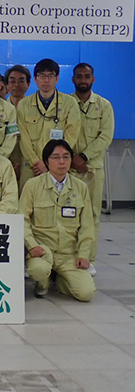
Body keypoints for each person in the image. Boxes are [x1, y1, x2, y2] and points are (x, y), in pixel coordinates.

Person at [22, 139, 96, 302]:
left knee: (86, 293)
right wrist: (32, 245)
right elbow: (23, 220)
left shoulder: (80, 187)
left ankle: (60, 279)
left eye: (66, 157)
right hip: (43, 249)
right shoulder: (33, 185)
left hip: (69, 253)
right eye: (56, 157)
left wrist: (83, 254)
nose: (61, 162)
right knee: (38, 270)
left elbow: (87, 226)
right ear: (47, 161)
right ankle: (42, 283)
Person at [71, 63, 114, 275]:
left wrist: (84, 156)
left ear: (93, 79)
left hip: (92, 168)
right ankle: (69, 256)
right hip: (68, 168)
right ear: (72, 79)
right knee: (69, 214)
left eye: (86, 76)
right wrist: (71, 158)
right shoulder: (66, 104)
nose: (83, 80)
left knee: (92, 215)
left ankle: (89, 258)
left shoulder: (104, 106)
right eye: (79, 76)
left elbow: (105, 137)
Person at [17, 58, 81, 190]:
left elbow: (71, 135)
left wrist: (51, 162)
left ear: (57, 78)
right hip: (32, 167)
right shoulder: (24, 104)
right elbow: (23, 137)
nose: (46, 80)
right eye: (42, 76)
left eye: (50, 76)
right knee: (29, 204)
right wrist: (36, 162)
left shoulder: (70, 103)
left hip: (58, 165)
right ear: (35, 79)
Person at [5, 64, 31, 177]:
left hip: (29, 163)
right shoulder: (0, 109)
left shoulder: (34, 109)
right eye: (12, 81)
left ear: (28, 84)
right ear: (7, 85)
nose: (16, 85)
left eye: (21, 81)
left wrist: (22, 162)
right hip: (4, 162)